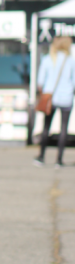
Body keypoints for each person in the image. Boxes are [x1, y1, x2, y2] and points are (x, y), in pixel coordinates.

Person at [35, 35, 75, 167]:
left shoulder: (48, 59)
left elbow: (40, 81)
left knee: (46, 127)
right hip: (66, 97)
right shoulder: (70, 61)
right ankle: (59, 160)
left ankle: (41, 157)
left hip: (50, 98)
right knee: (64, 129)